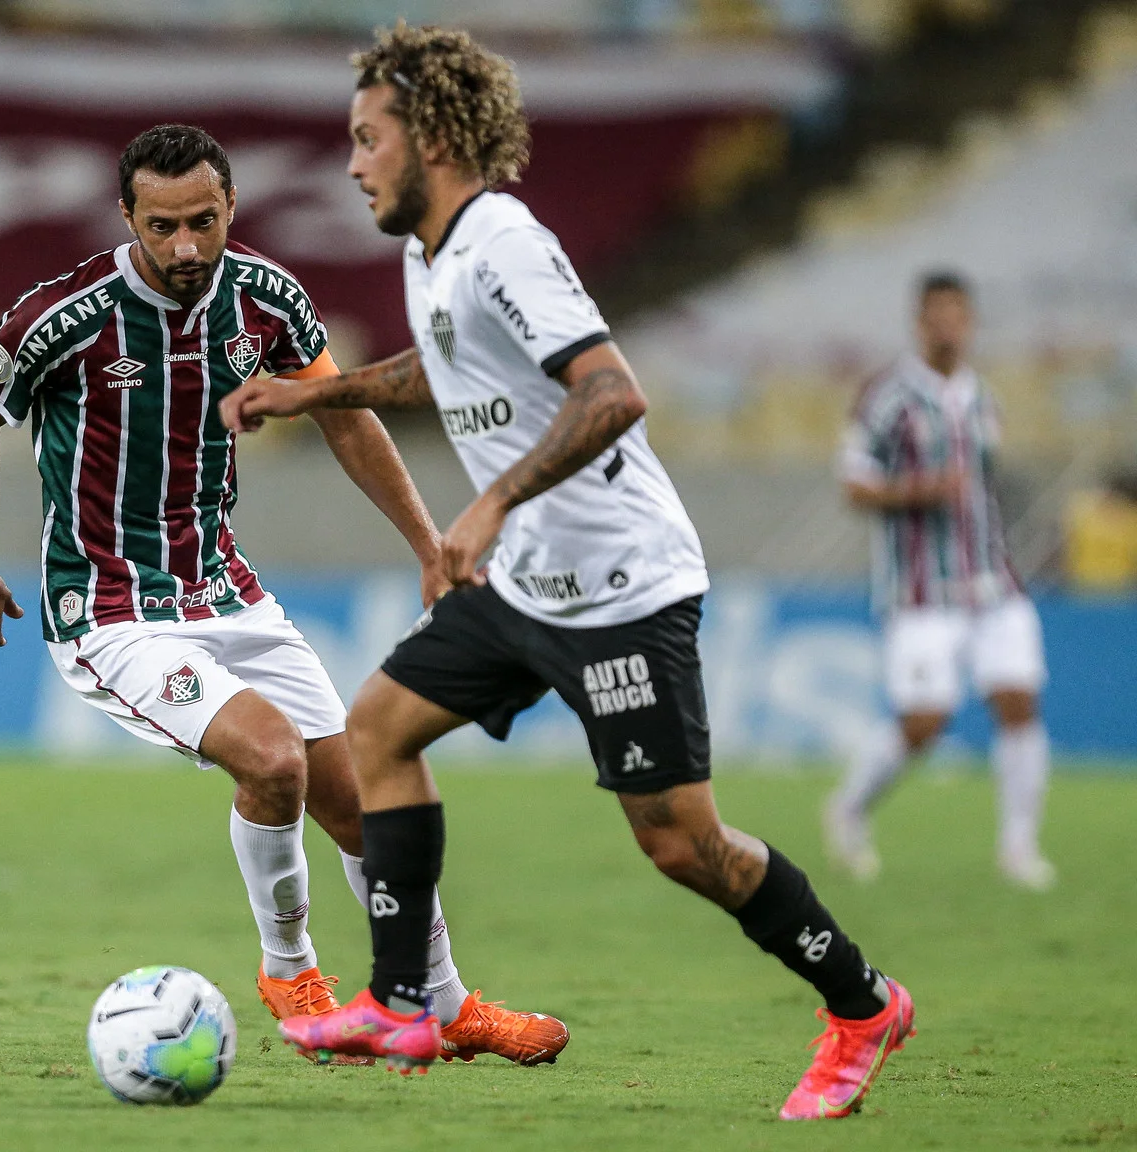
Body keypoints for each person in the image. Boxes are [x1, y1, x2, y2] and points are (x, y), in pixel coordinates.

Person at [227, 25, 913, 1118]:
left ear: (435, 136)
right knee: (376, 733)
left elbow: (610, 391)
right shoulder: (430, 254)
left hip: (622, 591)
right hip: (524, 582)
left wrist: (488, 503)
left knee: (680, 845)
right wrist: (319, 393)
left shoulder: (501, 240)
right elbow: (447, 369)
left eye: (368, 139)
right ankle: (405, 996)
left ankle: (862, 1005)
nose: (351, 163)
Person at [0, 123, 566, 1065]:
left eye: (204, 221)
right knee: (274, 763)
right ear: (127, 217)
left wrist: (428, 543)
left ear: (231, 205)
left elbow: (344, 418)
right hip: (110, 610)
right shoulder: (60, 316)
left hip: (229, 594)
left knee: (362, 803)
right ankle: (293, 974)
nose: (187, 246)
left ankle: (445, 1001)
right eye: (163, 227)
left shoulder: (267, 298)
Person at [825, 272, 1054, 890]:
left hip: (993, 579)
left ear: (971, 322)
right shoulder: (888, 395)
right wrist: (917, 490)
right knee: (925, 721)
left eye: (960, 315)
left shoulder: (983, 396)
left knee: (1019, 702)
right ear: (919, 322)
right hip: (922, 589)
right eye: (938, 316)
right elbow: (853, 482)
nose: (950, 327)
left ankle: (1019, 847)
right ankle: (848, 809)